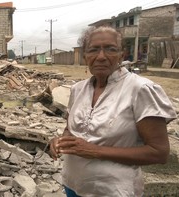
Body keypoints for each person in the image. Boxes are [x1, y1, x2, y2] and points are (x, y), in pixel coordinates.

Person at [49, 26, 177, 197]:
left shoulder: (140, 89)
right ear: (85, 56)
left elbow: (159, 153)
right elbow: (71, 130)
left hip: (113, 191)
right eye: (93, 50)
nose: (101, 56)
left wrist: (95, 151)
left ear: (121, 54)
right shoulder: (78, 89)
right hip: (73, 184)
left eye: (110, 49)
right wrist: (60, 141)